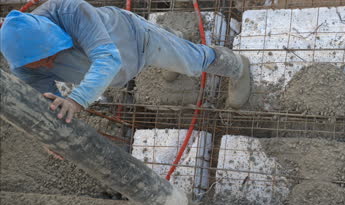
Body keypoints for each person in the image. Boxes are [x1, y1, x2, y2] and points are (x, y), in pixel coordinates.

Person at [0, 0, 251, 123]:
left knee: (194, 62)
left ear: (53, 38)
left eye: (49, 58)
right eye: (38, 66)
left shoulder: (71, 11)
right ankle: (175, 40)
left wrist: (77, 100)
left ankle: (236, 65)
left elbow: (107, 59)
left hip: (137, 39)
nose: (47, 67)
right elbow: (47, 104)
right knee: (172, 53)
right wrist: (52, 134)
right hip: (122, 65)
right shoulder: (23, 65)